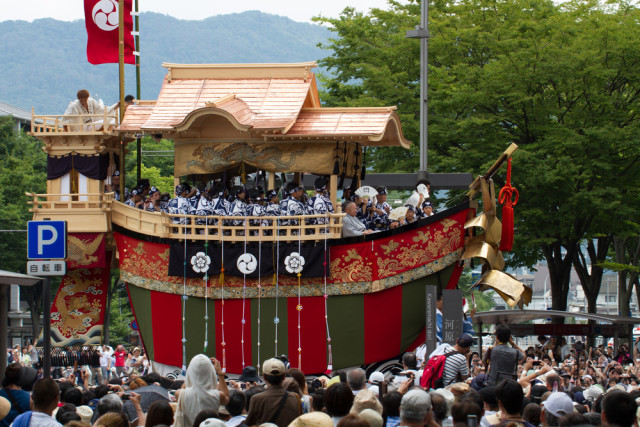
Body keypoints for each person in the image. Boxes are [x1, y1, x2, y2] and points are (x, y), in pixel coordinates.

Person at [175, 354, 229, 427]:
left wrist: (193, 372)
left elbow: (186, 385)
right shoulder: (218, 395)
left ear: (190, 371)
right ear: (211, 372)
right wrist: (220, 374)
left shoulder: (180, 394)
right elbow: (226, 398)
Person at [245, 358, 301, 426]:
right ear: (284, 377)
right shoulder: (295, 398)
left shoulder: (256, 399)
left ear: (264, 377)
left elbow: (248, 423)